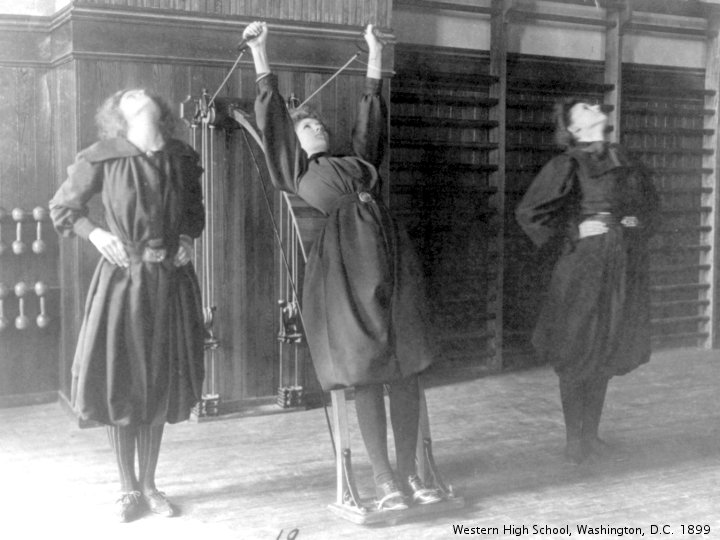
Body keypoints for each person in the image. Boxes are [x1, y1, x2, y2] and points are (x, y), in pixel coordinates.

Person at [242, 21, 443, 510]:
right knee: (367, 369)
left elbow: (371, 115)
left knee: (406, 368)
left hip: (392, 259)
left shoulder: (358, 163)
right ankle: (385, 480)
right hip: (346, 272)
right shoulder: (297, 172)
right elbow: (272, 121)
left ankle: (412, 474)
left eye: (319, 125)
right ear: (294, 141)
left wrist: (374, 52)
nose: (317, 127)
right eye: (307, 126)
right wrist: (260, 52)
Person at [50, 88, 206, 521]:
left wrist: (186, 240)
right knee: (122, 381)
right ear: (117, 114)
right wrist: (97, 234)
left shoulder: (182, 157)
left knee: (159, 381)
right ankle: (127, 489)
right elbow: (63, 208)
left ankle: (151, 485)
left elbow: (195, 214)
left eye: (141, 92)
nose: (134, 93)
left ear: (160, 109)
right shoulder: (101, 157)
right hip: (123, 284)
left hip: (170, 283)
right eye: (125, 96)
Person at [516, 98, 659, 464]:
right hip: (583, 268)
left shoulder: (624, 158)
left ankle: (591, 436)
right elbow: (529, 213)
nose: (595, 105)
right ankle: (573, 441)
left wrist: (636, 221)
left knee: (605, 347)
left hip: (620, 266)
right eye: (584, 107)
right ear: (574, 128)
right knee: (577, 348)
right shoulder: (568, 163)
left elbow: (650, 205)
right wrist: (573, 231)